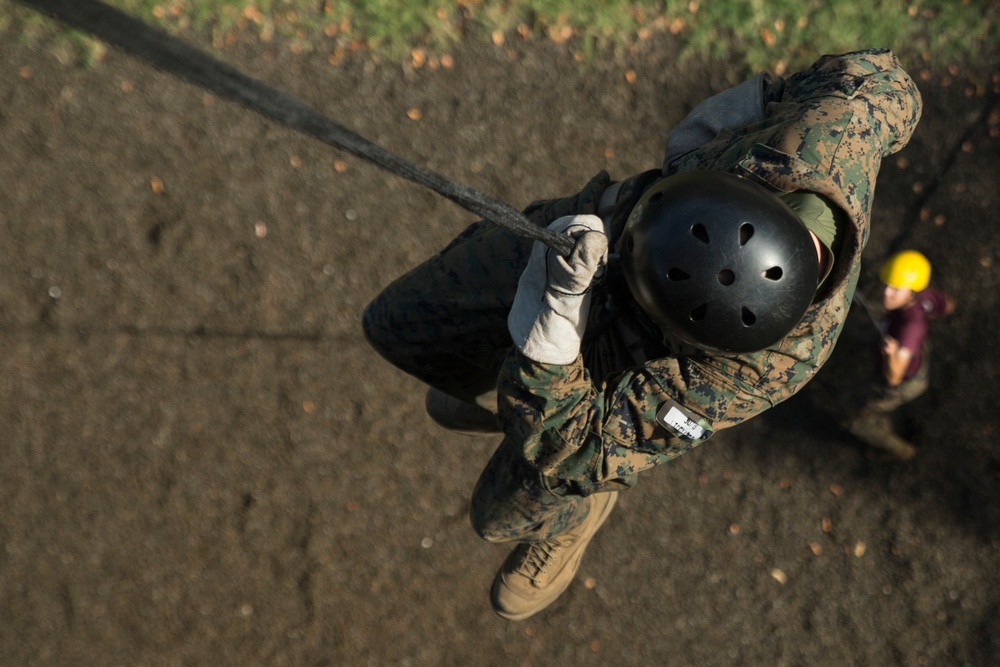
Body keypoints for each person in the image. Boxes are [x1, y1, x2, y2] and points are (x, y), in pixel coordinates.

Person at [363, 49, 922, 620]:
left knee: (498, 513)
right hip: (608, 231)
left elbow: (577, 447)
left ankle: (574, 516)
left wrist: (555, 320)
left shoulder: (755, 372)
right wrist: (758, 101)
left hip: (641, 361)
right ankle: (509, 396)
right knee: (396, 329)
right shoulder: (828, 132)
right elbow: (884, 82)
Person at [845, 250, 955, 460]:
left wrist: (891, 353)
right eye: (888, 285)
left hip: (903, 380)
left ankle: (902, 451)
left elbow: (893, 378)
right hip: (915, 358)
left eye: (896, 289)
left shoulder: (910, 329)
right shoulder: (926, 296)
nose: (887, 292)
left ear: (911, 292)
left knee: (852, 413)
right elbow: (948, 304)